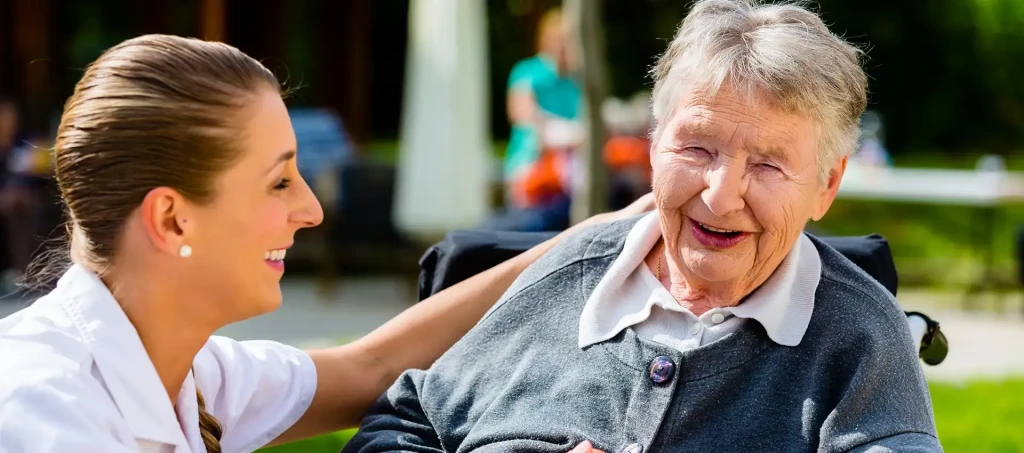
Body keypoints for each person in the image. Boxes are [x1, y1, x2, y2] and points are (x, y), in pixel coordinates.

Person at [0, 34, 654, 453]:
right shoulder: (43, 410)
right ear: (172, 220)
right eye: (279, 181)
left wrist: (596, 238)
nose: (310, 208)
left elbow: (369, 367)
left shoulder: (183, 369)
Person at [344, 1, 942, 452]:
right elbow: (404, 421)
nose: (720, 193)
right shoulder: (569, 272)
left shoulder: (860, 340)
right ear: (653, 145)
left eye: (767, 164)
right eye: (697, 147)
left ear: (827, 185)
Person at [485, 7, 582, 232]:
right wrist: (565, 131)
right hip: (530, 164)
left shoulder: (577, 81)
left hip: (567, 172)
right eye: (561, 40)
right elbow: (521, 114)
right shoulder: (527, 72)